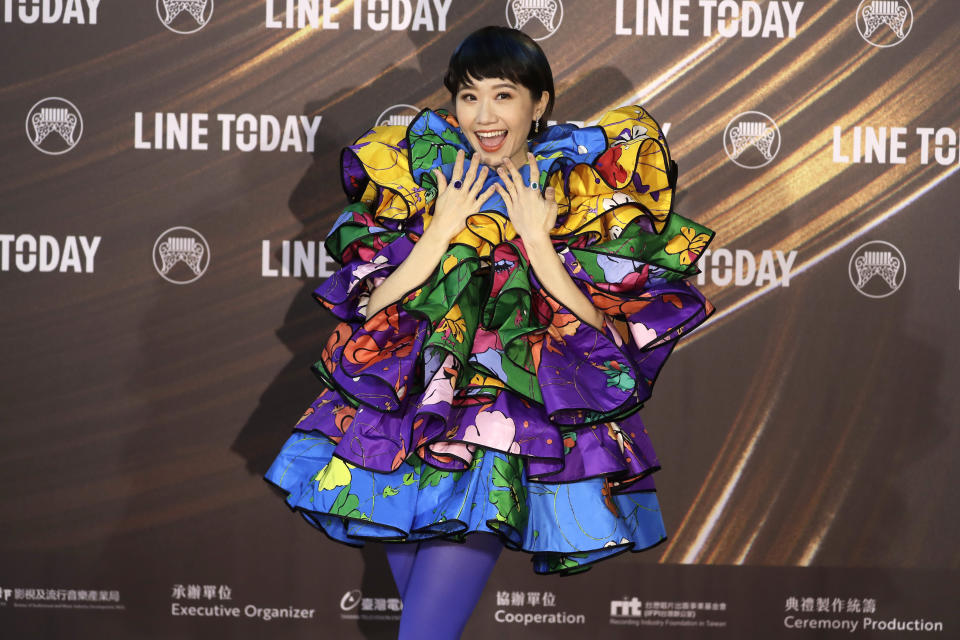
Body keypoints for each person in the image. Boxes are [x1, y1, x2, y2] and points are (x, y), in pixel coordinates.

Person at [265, 25, 714, 639]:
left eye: (503, 95)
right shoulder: (424, 179)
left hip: (501, 428)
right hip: (403, 420)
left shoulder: (576, 188)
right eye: (469, 96)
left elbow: (606, 333)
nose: (484, 115)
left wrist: (537, 243)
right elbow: (370, 310)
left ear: (540, 104)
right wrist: (438, 231)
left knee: (423, 634)